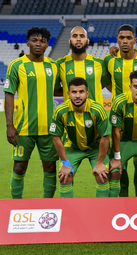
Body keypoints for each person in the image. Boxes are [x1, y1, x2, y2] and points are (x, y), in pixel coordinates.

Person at [4, 27, 59, 199]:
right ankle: (15, 206)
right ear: (27, 43)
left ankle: (47, 205)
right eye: (34, 40)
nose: (38, 44)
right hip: (23, 128)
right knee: (19, 168)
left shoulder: (53, 66)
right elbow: (9, 94)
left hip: (49, 129)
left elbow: (59, 90)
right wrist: (9, 125)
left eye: (42, 41)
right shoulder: (16, 65)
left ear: (47, 44)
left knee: (50, 168)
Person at [104, 24, 137, 197]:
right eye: (121, 38)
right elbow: (104, 81)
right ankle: (123, 201)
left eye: (129, 38)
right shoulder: (109, 60)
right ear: (117, 40)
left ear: (135, 40)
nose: (125, 41)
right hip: (120, 121)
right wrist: (122, 98)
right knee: (120, 166)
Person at [50, 77, 111, 198]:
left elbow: (106, 136)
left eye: (81, 92)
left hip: (95, 147)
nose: (77, 95)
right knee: (65, 177)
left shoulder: (97, 109)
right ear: (68, 94)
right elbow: (56, 137)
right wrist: (65, 163)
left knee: (102, 175)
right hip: (72, 147)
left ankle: (102, 212)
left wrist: (99, 163)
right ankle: (68, 214)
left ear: (87, 93)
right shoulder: (60, 111)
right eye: (74, 92)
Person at [56, 26, 111, 106]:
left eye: (82, 36)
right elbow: (55, 90)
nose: (78, 39)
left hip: (95, 116)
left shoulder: (99, 63)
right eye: (75, 36)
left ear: (87, 41)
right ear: (70, 41)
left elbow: (108, 85)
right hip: (70, 116)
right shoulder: (60, 64)